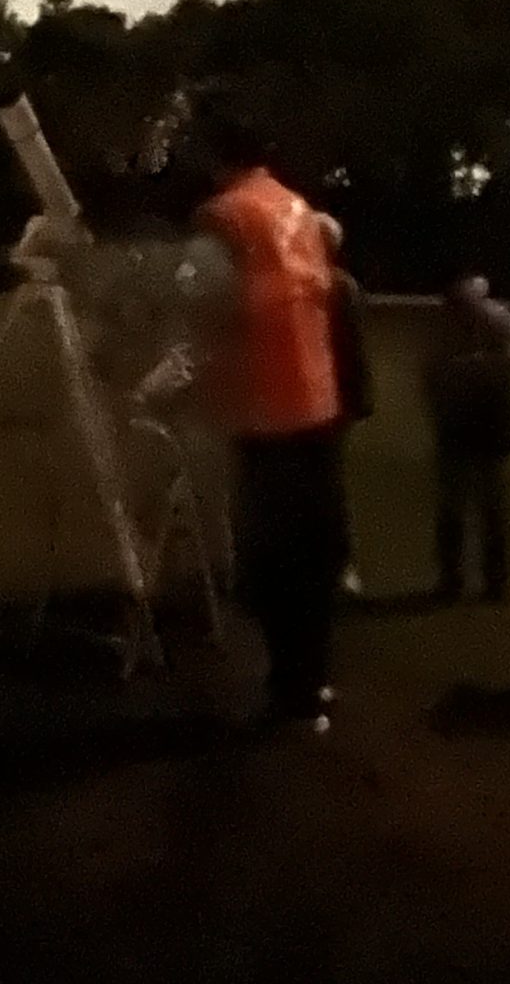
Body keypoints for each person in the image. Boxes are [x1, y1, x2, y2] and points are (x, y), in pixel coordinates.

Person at [188, 97, 347, 734]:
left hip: (266, 407)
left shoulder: (223, 216)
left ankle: (291, 689)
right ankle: (314, 678)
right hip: (319, 400)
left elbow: (200, 303)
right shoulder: (298, 208)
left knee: (273, 563)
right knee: (315, 553)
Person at [424, 273, 510, 604]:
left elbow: (437, 376)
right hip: (470, 426)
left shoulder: (478, 324)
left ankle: (468, 581)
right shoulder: (485, 322)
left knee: (477, 506)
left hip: (478, 426)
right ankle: (467, 580)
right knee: (473, 506)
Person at [316, 215, 374, 599]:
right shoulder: (325, 285)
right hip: (316, 399)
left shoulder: (338, 287)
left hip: (328, 402)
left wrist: (356, 399)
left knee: (328, 485)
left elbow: (353, 350)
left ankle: (339, 566)